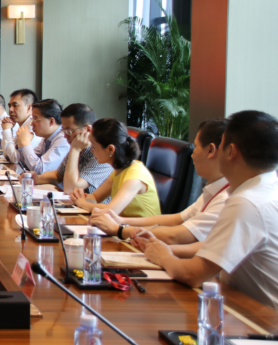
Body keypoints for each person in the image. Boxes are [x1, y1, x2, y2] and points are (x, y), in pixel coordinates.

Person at [139, 111, 278, 312]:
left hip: (260, 321)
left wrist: (163, 257)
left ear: (231, 151)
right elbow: (220, 247)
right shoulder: (266, 189)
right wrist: (166, 250)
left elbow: (193, 274)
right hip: (245, 310)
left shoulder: (246, 203)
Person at [90, 118, 229, 244]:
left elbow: (176, 236)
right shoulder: (212, 192)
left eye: (196, 146)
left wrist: (120, 229)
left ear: (210, 150)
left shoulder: (225, 199)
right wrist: (122, 221)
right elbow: (176, 219)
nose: (192, 154)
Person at [69, 118, 161, 217]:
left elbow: (111, 210)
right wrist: (79, 196)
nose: (91, 150)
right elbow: (95, 197)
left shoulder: (135, 175)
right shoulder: (118, 170)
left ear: (110, 149)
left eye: (94, 146)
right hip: (122, 225)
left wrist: (82, 203)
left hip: (140, 227)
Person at [32, 103, 113, 195]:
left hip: (92, 204)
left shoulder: (101, 153)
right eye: (63, 131)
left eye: (69, 131)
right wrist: (37, 178)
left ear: (87, 130)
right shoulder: (78, 146)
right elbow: (58, 175)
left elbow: (70, 188)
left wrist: (75, 149)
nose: (65, 136)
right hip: (77, 202)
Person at [12, 99, 69, 174]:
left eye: (35, 119)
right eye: (32, 119)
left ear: (51, 121)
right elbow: (23, 162)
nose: (31, 124)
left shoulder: (64, 139)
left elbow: (40, 170)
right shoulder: (46, 138)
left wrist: (26, 143)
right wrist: (21, 144)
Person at [0, 89, 42, 164]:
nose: (10, 109)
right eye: (9, 106)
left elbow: (15, 159)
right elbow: (7, 155)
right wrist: (7, 130)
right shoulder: (22, 125)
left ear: (29, 108)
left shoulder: (32, 126)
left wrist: (7, 130)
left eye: (15, 105)